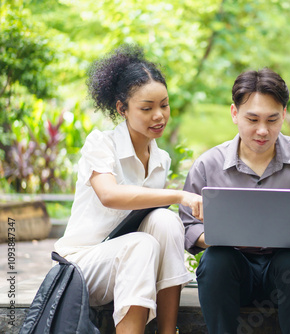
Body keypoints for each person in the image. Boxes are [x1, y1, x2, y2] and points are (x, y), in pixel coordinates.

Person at [54, 44, 203, 334]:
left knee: (167, 221)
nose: (158, 115)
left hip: (130, 265)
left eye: (164, 104)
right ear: (122, 108)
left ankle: (167, 331)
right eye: (146, 108)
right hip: (81, 265)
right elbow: (109, 195)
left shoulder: (161, 159)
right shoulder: (101, 143)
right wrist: (177, 195)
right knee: (142, 242)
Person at [179, 68, 290, 333]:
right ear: (234, 113)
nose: (262, 130)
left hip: (286, 278)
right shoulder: (209, 165)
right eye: (252, 119)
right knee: (216, 259)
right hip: (233, 277)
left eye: (272, 120)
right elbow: (187, 226)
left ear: (284, 114)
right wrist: (222, 237)